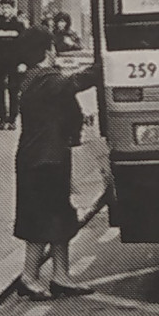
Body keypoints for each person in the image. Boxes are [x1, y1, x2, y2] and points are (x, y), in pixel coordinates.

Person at [12, 26, 100, 300]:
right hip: (42, 160)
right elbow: (74, 83)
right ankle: (29, 277)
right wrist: (106, 65)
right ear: (47, 50)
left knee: (60, 216)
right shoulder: (42, 78)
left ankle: (61, 276)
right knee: (41, 219)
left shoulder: (33, 78)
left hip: (47, 156)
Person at [0, 0, 26, 130]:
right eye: (3, 8)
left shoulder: (19, 26)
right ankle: (2, 118)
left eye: (8, 8)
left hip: (14, 62)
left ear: (13, 9)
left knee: (13, 90)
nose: (5, 11)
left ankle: (12, 119)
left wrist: (23, 62)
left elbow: (23, 46)